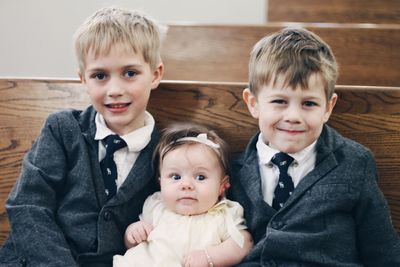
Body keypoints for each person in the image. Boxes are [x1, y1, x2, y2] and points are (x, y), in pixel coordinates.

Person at [0, 7, 164, 266]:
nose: (115, 90)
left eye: (130, 73)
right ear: (83, 80)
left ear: (155, 74)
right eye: (100, 76)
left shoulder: (166, 150)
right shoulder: (62, 129)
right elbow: (28, 205)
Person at [228, 27, 400, 266]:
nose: (293, 116)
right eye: (279, 101)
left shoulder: (354, 163)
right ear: (253, 103)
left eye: (309, 103)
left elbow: (381, 250)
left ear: (328, 108)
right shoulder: (230, 168)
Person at [113, 123, 253, 267]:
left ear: (222, 186)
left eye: (200, 177)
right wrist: (133, 233)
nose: (186, 185)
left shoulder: (224, 213)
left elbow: (244, 242)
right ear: (161, 183)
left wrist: (210, 257)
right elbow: (134, 245)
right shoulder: (156, 205)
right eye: (175, 177)